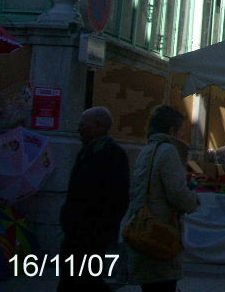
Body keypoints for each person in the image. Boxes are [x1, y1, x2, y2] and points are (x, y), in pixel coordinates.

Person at [121, 105, 199, 292]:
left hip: (142, 224)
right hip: (159, 230)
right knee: (162, 283)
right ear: (172, 130)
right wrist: (193, 201)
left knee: (150, 284)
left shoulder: (148, 149)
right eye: (180, 130)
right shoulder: (168, 151)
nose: (181, 135)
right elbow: (177, 192)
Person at [58, 107, 130, 292]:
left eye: (84, 125)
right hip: (76, 227)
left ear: (99, 127)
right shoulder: (85, 151)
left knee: (85, 278)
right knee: (74, 276)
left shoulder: (113, 154)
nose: (79, 129)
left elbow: (119, 196)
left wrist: (104, 225)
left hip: (94, 230)